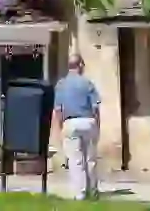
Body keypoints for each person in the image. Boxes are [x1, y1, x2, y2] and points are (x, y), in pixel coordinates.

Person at [54, 54, 101, 201]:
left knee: (75, 160)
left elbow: (58, 110)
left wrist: (61, 126)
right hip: (88, 121)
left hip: (70, 122)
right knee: (90, 159)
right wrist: (97, 125)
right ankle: (93, 190)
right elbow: (95, 108)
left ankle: (80, 193)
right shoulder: (88, 83)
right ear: (80, 65)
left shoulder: (61, 85)